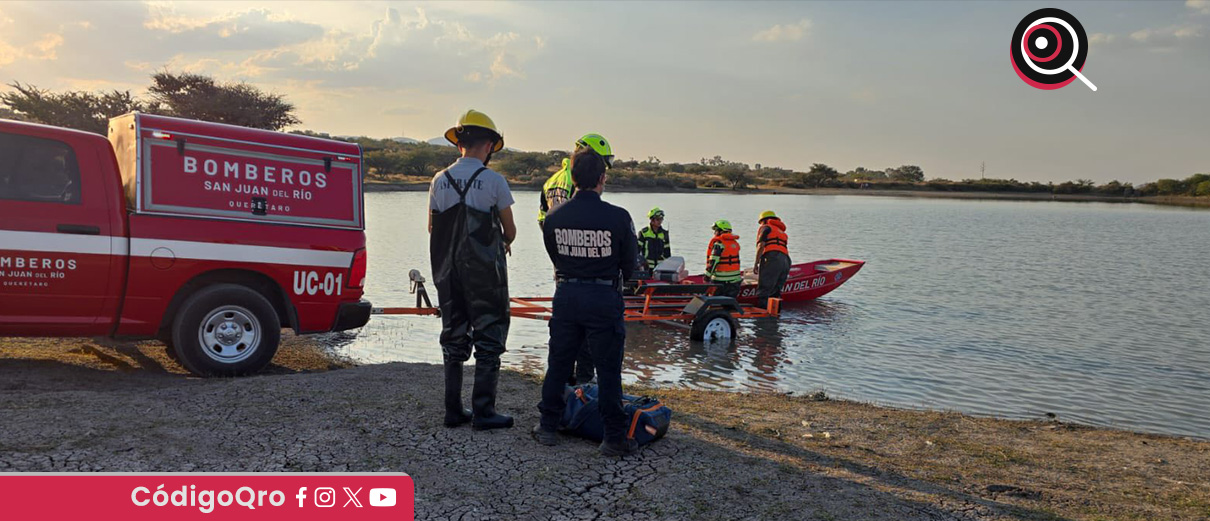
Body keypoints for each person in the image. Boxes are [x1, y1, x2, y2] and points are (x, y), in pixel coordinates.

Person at [532, 145, 640, 457]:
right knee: (608, 369)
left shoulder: (553, 217)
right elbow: (629, 266)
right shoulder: (618, 217)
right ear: (602, 178)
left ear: (572, 177)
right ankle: (613, 437)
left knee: (559, 363)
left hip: (566, 294)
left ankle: (548, 426)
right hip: (604, 296)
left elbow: (555, 257)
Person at [428, 109, 517, 431]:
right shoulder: (493, 181)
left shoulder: (439, 179)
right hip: (485, 274)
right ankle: (484, 411)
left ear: (458, 144)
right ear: (490, 145)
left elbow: (432, 226)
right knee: (489, 335)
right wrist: (499, 239)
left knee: (453, 335)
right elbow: (510, 231)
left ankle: (453, 410)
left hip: (448, 270)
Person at [538, 134, 616, 386]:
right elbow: (585, 219)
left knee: (565, 326)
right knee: (585, 329)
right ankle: (583, 382)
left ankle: (565, 376)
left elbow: (544, 221)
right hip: (584, 267)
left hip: (562, 264)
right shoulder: (577, 182)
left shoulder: (551, 181)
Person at [754, 210, 791, 308]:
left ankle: (762, 317)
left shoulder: (765, 228)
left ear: (765, 220)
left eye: (761, 222)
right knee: (776, 291)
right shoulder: (781, 232)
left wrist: (756, 263)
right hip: (786, 260)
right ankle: (775, 315)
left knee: (764, 290)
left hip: (772, 258)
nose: (760, 225)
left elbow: (761, 245)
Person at [704, 220, 742, 299]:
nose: (714, 233)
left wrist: (707, 276)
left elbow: (713, 262)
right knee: (729, 304)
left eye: (716, 230)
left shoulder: (719, 244)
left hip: (720, 281)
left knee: (716, 304)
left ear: (720, 231)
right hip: (735, 281)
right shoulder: (734, 243)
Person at [638, 207, 672, 271]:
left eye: (661, 219)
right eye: (657, 219)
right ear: (652, 220)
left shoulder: (664, 234)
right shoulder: (644, 233)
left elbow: (667, 253)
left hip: (660, 268)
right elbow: (636, 251)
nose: (660, 221)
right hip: (646, 268)